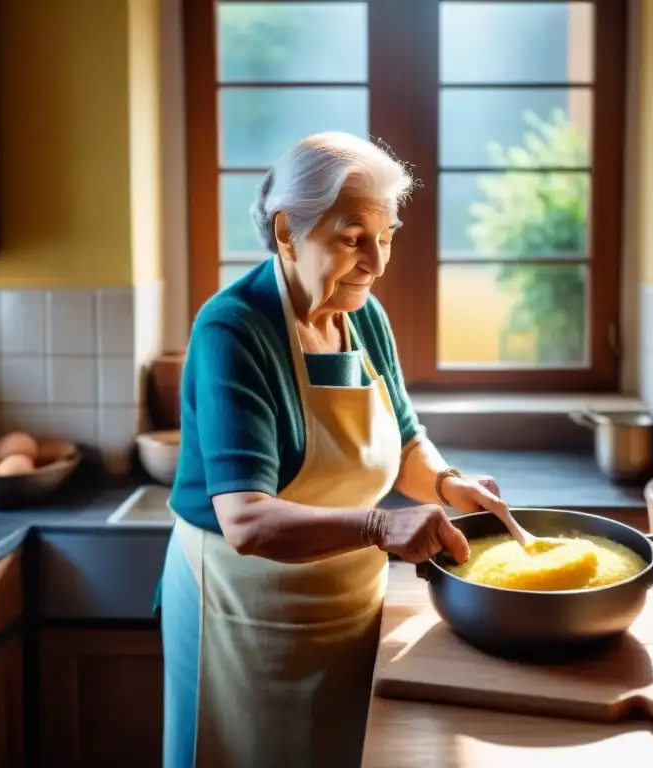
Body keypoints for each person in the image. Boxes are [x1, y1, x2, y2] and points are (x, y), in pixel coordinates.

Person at [159, 132, 510, 768]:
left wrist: (448, 483)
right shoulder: (233, 329)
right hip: (243, 610)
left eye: (388, 236)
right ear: (288, 231)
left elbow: (405, 440)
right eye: (353, 239)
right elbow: (246, 521)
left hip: (349, 603)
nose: (377, 262)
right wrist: (381, 523)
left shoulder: (363, 315)